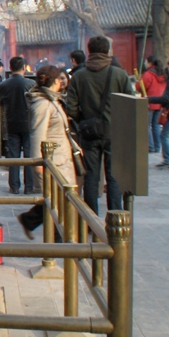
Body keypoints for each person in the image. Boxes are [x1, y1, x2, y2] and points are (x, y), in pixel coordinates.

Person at [66, 36, 134, 214]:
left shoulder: (78, 76)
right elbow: (130, 103)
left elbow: (71, 108)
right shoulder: (119, 74)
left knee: (91, 177)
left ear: (89, 51)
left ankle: (91, 219)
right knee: (113, 177)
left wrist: (84, 121)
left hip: (89, 132)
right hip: (114, 131)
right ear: (107, 51)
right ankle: (115, 217)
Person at [17, 65, 77, 239]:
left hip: (61, 158)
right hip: (53, 161)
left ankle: (31, 221)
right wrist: (38, 163)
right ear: (56, 81)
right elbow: (38, 134)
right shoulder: (42, 104)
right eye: (61, 79)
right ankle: (57, 240)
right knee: (57, 201)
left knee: (59, 200)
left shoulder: (52, 100)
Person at [0, 56, 35, 195]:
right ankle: (29, 186)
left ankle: (14, 186)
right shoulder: (31, 84)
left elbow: (0, 102)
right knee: (29, 156)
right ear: (24, 67)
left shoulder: (4, 85)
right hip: (29, 123)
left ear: (10, 68)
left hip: (11, 122)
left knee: (13, 156)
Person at [136, 56, 167, 153]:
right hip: (160, 102)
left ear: (150, 63)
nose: (145, 63)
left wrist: (138, 82)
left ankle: (150, 146)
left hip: (149, 101)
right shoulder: (163, 74)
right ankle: (157, 146)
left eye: (145, 61)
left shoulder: (148, 74)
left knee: (146, 125)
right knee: (156, 125)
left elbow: (140, 87)